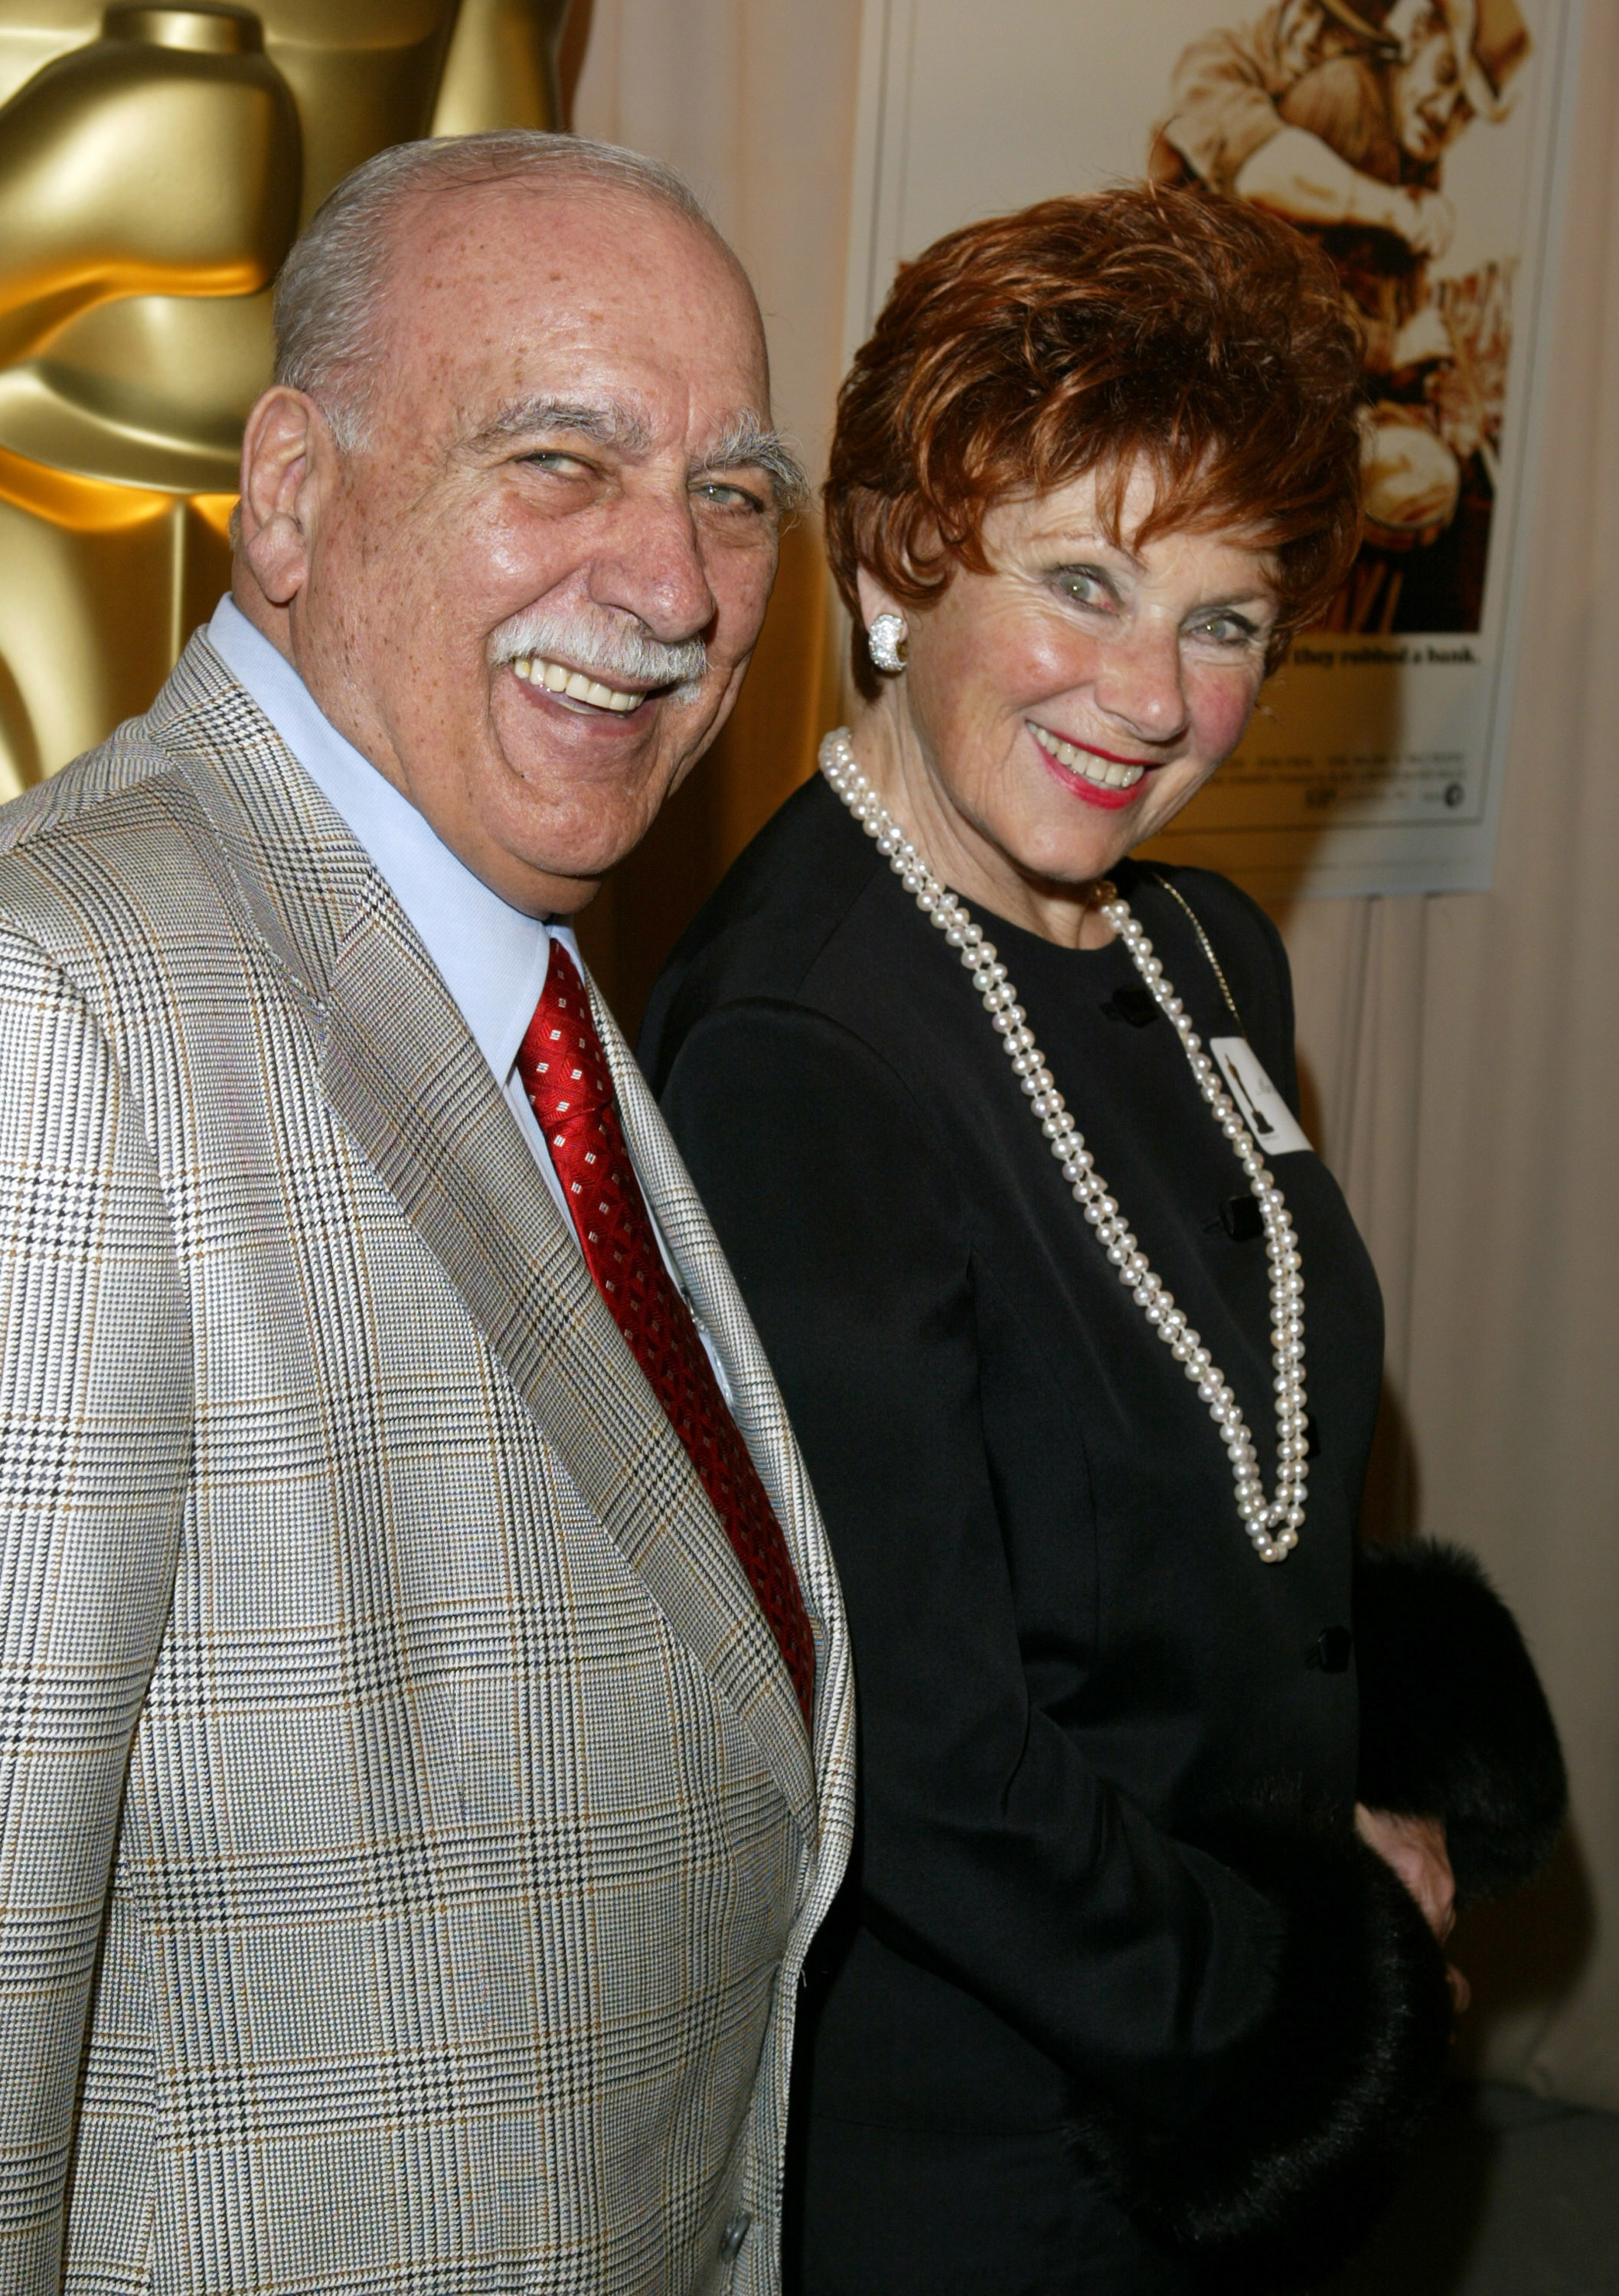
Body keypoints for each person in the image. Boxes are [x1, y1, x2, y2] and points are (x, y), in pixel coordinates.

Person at [641, 186, 1565, 2294]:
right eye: (1081, 584)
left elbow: (1244, 1469)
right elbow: (922, 1759)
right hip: (1007, 2132)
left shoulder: (1206, 948)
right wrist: (1313, 1990)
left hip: (1221, 2044)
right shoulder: (799, 1049)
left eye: (1224, 622)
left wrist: (1371, 1790)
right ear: (900, 566)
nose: (1147, 697)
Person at [0, 132, 854, 2295]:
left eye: (732, 493)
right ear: (288, 495)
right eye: (560, 460)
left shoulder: (504, 951)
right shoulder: (59, 1019)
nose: (675, 586)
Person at [1151, 0, 1529, 631]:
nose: (1444, 112)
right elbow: (1257, 289)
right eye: (1444, 78)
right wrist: (1389, 343)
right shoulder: (1329, 95)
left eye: (1464, 107)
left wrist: (1407, 349)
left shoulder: (1410, 141)